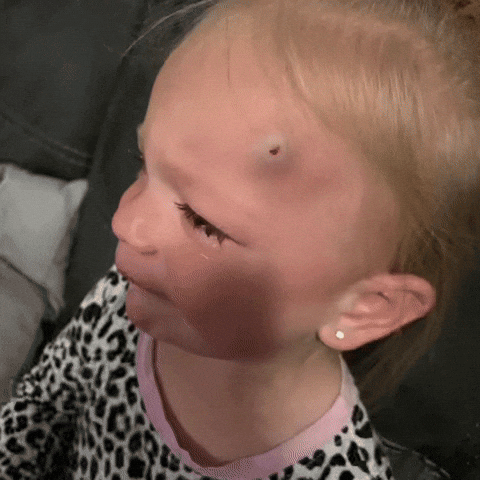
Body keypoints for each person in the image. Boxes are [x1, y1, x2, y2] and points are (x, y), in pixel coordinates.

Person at [1, 0, 478, 478]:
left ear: (362, 307)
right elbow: (40, 409)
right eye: (145, 164)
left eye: (203, 222)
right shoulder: (128, 297)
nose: (127, 224)